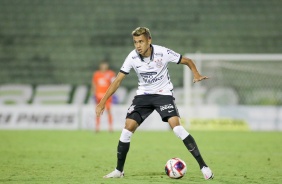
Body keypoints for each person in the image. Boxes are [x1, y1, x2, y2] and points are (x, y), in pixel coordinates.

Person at [96, 27, 214, 180]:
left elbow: (187, 60)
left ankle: (204, 167)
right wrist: (102, 102)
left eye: (141, 42)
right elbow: (117, 80)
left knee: (177, 128)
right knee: (126, 130)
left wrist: (196, 73)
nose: (138, 45)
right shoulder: (132, 57)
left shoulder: (162, 52)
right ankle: (119, 171)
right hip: (143, 96)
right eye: (135, 42)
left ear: (149, 41)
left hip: (163, 95)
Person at [92, 61, 115, 132]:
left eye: (105, 65)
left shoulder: (110, 74)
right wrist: (94, 93)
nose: (103, 66)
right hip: (98, 95)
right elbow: (94, 84)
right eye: (102, 65)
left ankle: (110, 127)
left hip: (106, 96)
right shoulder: (96, 74)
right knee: (98, 111)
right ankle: (97, 127)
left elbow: (114, 84)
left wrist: (112, 93)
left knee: (108, 111)